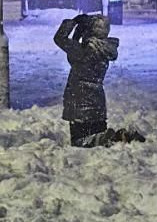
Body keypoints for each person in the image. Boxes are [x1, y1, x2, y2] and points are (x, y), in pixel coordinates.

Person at [53, 13, 145, 147]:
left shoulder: (83, 50)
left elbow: (59, 38)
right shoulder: (104, 49)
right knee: (96, 139)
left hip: (80, 101)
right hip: (97, 102)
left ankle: (112, 138)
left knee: (80, 142)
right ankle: (120, 137)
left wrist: (72, 23)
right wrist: (79, 34)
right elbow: (74, 53)